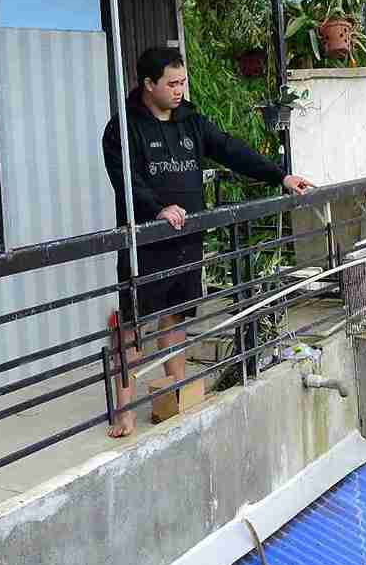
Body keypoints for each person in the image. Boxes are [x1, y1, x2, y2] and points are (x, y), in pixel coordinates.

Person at [101, 47, 314, 437]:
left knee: (176, 318)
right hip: (145, 244)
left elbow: (230, 149)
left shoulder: (191, 121)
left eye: (183, 81)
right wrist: (157, 209)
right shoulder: (123, 128)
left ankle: (177, 398)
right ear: (149, 85)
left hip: (187, 239)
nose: (181, 89)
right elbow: (126, 181)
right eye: (172, 83)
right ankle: (125, 412)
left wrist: (279, 176)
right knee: (131, 326)